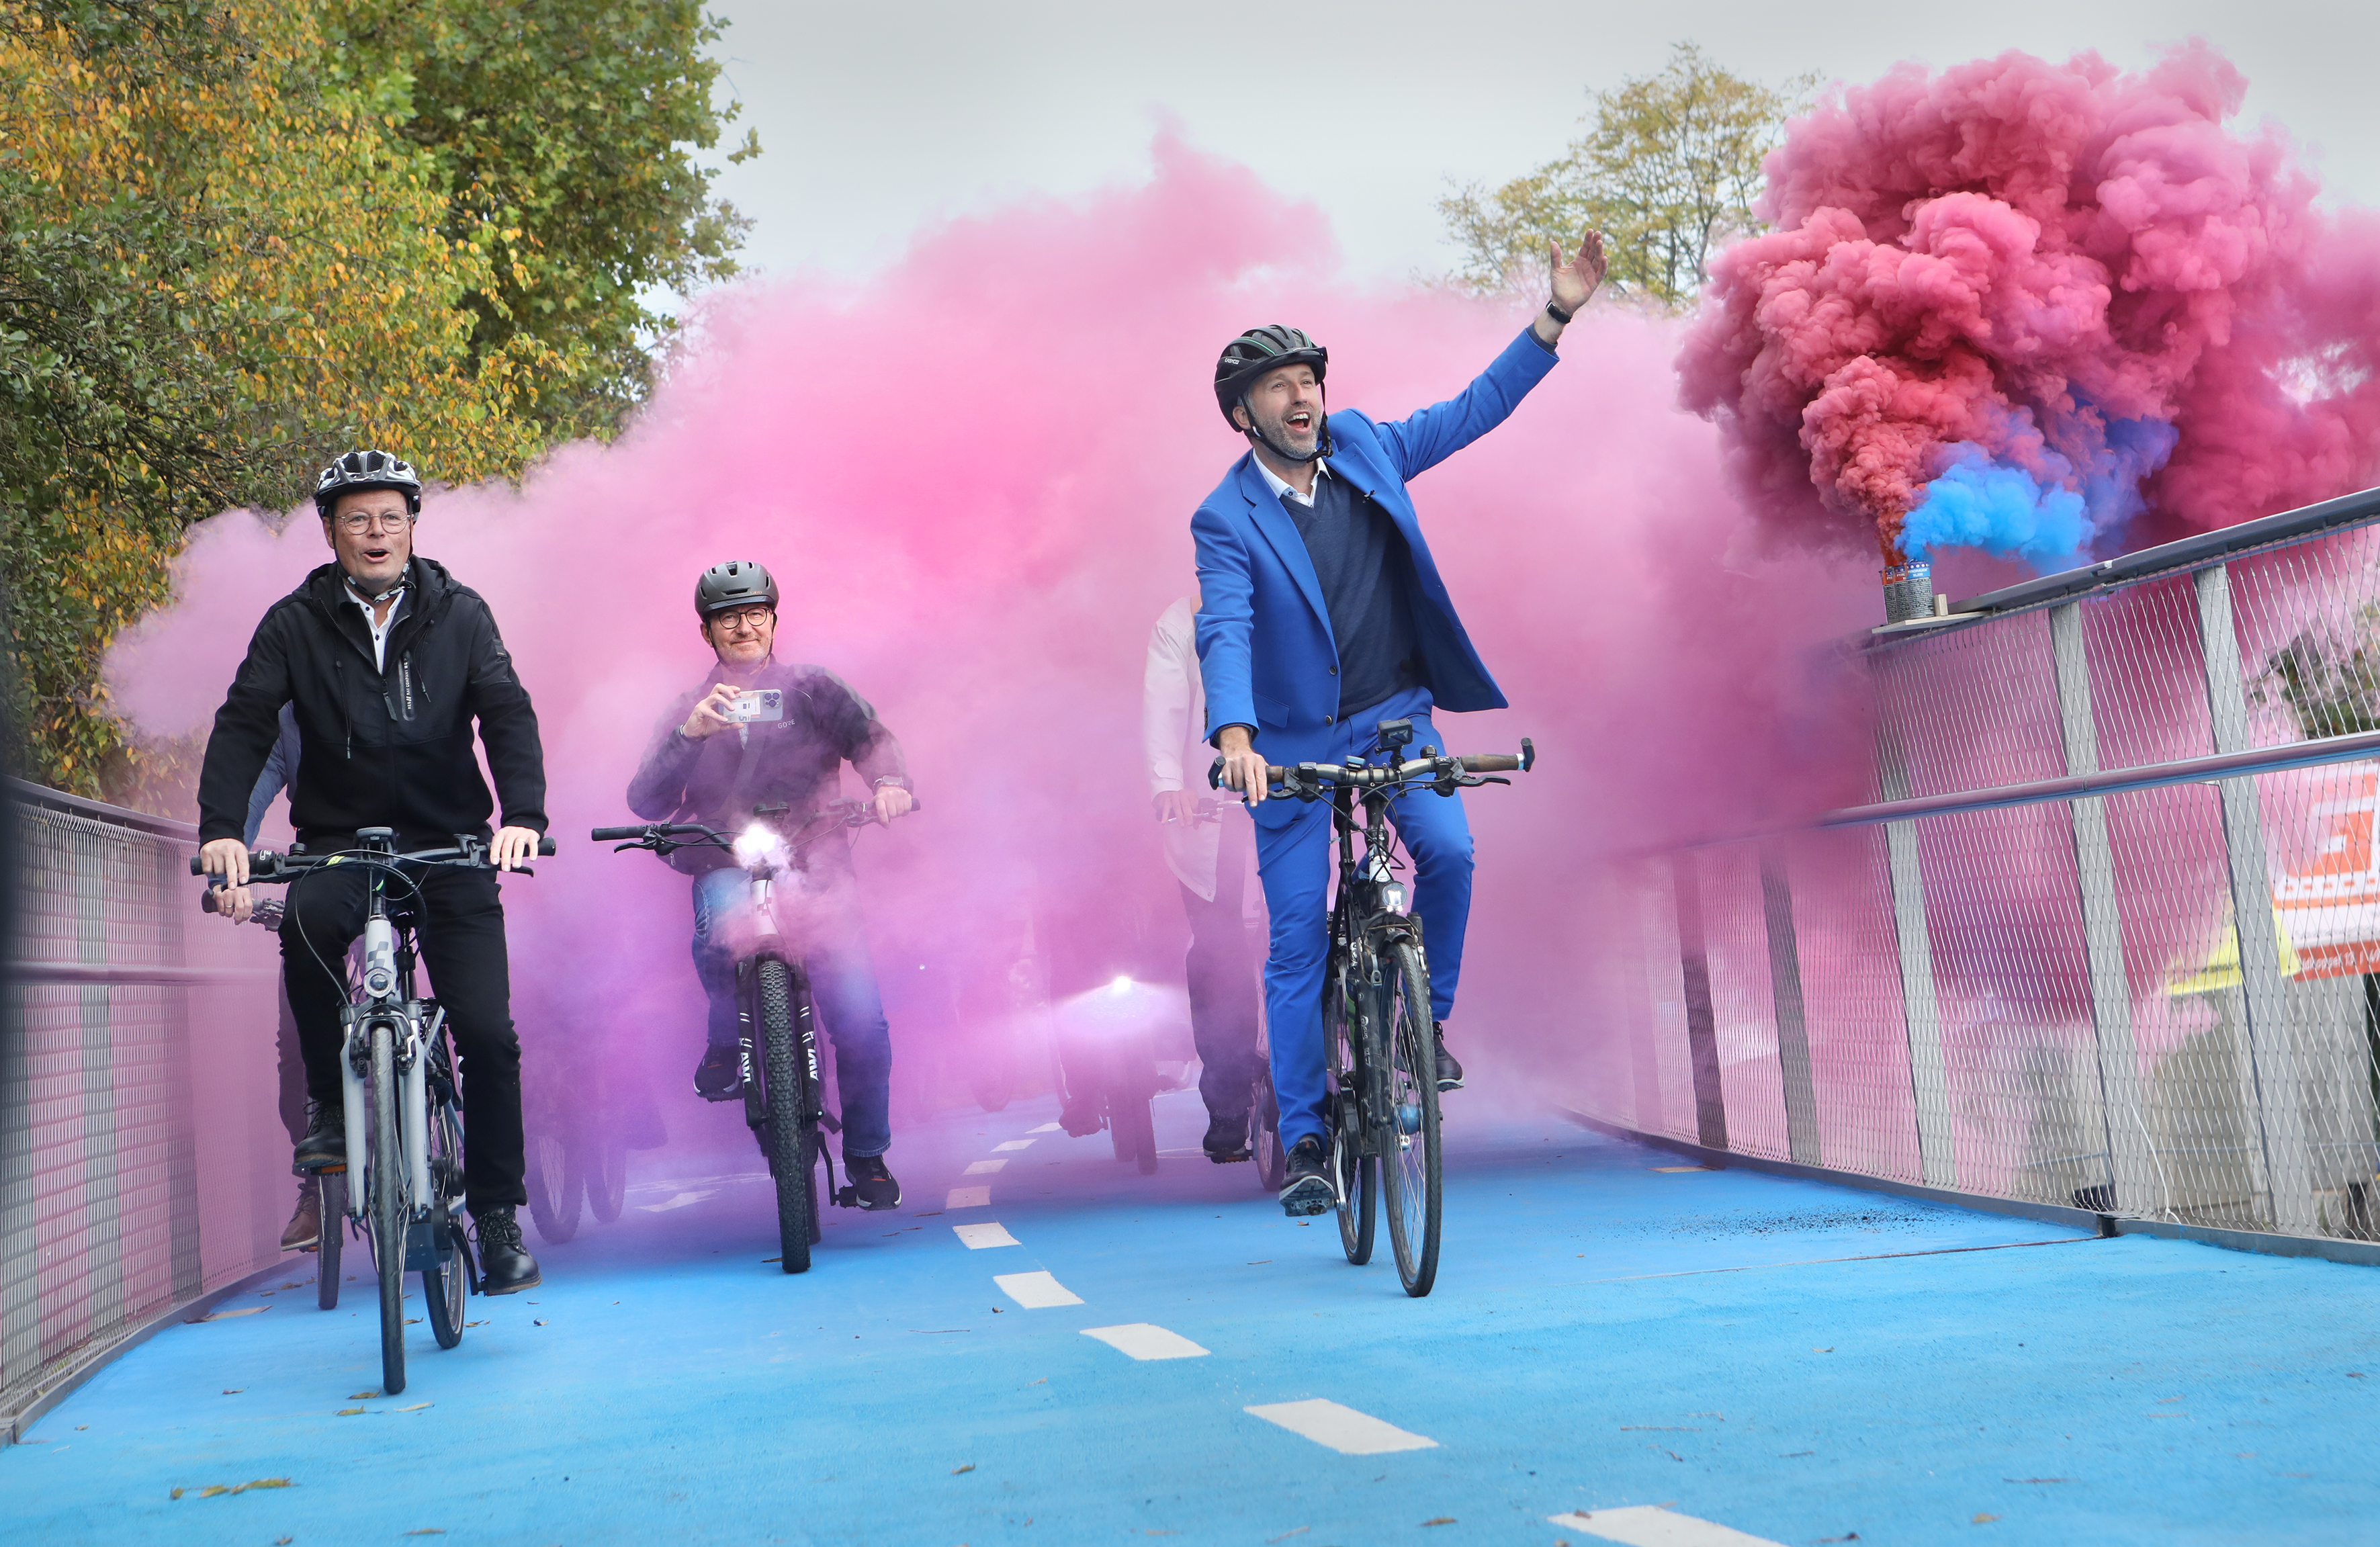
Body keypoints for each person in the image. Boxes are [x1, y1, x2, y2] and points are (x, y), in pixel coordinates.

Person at [1197, 232, 1607, 1215]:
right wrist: (1236, 739)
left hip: (1393, 719)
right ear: (1243, 415)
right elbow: (1225, 626)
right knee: (1297, 936)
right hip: (1289, 746)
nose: (1301, 396)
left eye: (1308, 379)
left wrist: (1553, 315)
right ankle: (1306, 1135)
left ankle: (1422, 1026)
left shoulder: (1367, 445)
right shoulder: (1224, 517)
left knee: (1450, 854)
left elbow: (1472, 410)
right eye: (1277, 386)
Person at [196, 449, 549, 1292]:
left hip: (448, 847)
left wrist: (523, 817)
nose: (376, 531)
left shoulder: (461, 612)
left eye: (391, 516)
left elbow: (506, 712)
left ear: (413, 526)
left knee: (487, 1035)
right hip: (340, 843)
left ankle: (498, 1218)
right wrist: (222, 832)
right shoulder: (294, 622)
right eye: (357, 518)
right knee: (307, 921)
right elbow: (245, 722)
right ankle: (329, 1104)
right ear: (330, 531)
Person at [625, 561, 915, 1210]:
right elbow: (645, 799)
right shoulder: (688, 708)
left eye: (755, 612)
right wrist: (689, 735)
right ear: (707, 632)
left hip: (818, 857)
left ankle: (866, 1153)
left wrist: (890, 784)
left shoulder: (814, 688)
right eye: (727, 617)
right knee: (719, 932)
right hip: (723, 856)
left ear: (774, 620)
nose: (743, 626)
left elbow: (871, 738)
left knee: (860, 1017)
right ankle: (727, 1041)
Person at [1144, 592, 1266, 1161]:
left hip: (1298, 794)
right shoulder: (1181, 621)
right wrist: (1169, 781)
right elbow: (1164, 707)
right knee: (1219, 950)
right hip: (1212, 807)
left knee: (1321, 934)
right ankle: (1228, 1101)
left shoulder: (1302, 593)